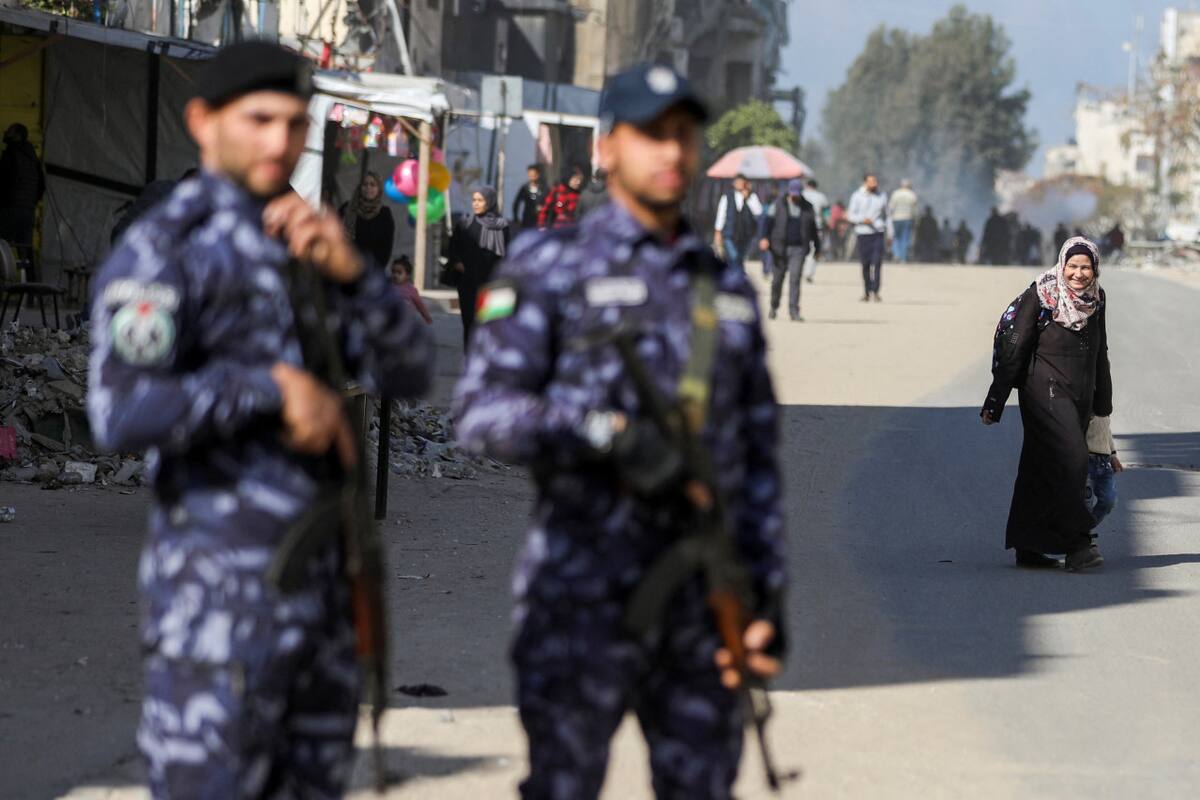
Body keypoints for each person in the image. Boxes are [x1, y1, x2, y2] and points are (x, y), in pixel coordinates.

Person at [86, 41, 434, 797]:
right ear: (203, 122)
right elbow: (119, 411)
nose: (282, 141)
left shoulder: (305, 245)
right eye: (261, 119)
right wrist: (269, 390)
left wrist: (355, 275)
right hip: (219, 621)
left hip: (324, 613)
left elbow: (412, 371)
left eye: (297, 123)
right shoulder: (165, 250)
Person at [453, 63, 786, 799]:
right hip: (581, 596)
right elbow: (480, 413)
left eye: (684, 135)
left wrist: (766, 597)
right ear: (606, 149)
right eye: (651, 134)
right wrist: (603, 433)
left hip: (701, 603)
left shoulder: (725, 287)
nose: (671, 151)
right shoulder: (550, 266)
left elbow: (758, 458)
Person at [981, 237, 1112, 571]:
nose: (1079, 274)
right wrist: (996, 400)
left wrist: (1103, 408)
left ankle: (1028, 545)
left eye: (1085, 267)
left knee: (1039, 466)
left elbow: (1101, 353)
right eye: (1073, 266)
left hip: (1079, 396)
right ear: (1062, 265)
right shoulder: (1040, 295)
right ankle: (1078, 544)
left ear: (1095, 268)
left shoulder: (1097, 299)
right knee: (1072, 459)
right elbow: (1015, 347)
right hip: (1043, 391)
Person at [449, 185, 511, 347]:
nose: (475, 204)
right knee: (469, 321)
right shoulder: (465, 223)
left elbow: (507, 253)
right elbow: (453, 247)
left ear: (489, 202)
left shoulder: (501, 226)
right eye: (474, 200)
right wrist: (457, 262)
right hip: (468, 281)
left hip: (491, 281)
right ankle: (470, 355)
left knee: (489, 322)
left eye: (480, 200)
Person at [763, 178, 820, 321]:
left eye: (797, 194)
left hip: (799, 249)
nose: (795, 197)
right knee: (777, 280)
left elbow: (813, 229)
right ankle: (774, 306)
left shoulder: (808, 207)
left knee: (795, 279)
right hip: (779, 248)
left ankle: (794, 311)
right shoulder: (777, 204)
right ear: (788, 191)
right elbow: (767, 223)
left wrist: (817, 247)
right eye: (793, 193)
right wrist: (764, 238)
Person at [0, 123, 45, 268]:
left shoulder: (11, 152)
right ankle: (30, 282)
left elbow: (3, 181)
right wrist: (30, 203)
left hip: (11, 209)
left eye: (10, 131)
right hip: (28, 212)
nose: (6, 132)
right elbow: (41, 186)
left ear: (18, 135)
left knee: (2, 247)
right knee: (25, 254)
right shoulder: (33, 157)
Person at [340, 171, 396, 271]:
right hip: (346, 268)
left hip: (371, 272)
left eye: (372, 185)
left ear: (379, 189)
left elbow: (386, 248)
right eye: (365, 184)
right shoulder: (347, 209)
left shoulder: (384, 214)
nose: (368, 188)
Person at [847, 172, 887, 301]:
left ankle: (876, 291)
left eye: (875, 181)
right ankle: (867, 291)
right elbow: (851, 215)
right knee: (866, 264)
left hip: (878, 232)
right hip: (863, 233)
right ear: (865, 183)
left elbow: (888, 215)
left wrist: (890, 233)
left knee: (877, 262)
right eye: (871, 181)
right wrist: (862, 220)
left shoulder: (882, 196)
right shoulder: (857, 196)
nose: (874, 184)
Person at [712, 172, 763, 272]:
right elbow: (721, 215)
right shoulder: (727, 196)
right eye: (738, 182)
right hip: (729, 233)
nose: (740, 184)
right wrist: (718, 231)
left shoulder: (752, 196)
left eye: (742, 182)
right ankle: (738, 274)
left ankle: (736, 274)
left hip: (745, 234)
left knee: (740, 257)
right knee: (734, 256)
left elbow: (758, 212)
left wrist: (748, 198)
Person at [1085, 414, 1123, 529]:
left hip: (1104, 463)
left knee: (1109, 500)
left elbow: (1107, 432)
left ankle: (1085, 529)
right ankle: (1084, 534)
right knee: (1086, 504)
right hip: (1086, 461)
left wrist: (1113, 456)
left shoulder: (1103, 408)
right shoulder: (1083, 406)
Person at [538, 164, 585, 229]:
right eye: (575, 179)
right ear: (568, 179)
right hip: (556, 229)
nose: (578, 182)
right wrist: (541, 225)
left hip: (573, 230)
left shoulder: (580, 195)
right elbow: (545, 209)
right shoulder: (557, 192)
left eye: (580, 180)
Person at [391, 255, 433, 324]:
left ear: (407, 275)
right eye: (393, 272)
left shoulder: (411, 290)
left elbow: (420, 305)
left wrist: (426, 317)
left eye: (399, 273)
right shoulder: (389, 286)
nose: (395, 275)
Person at [801, 178, 828, 281]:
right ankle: (809, 273)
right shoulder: (821, 196)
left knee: (802, 249)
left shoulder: (802, 194)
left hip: (803, 226)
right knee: (814, 250)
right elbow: (826, 212)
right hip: (817, 226)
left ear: (807, 185)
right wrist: (827, 222)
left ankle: (801, 270)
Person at [887, 179, 918, 263]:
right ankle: (903, 258)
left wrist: (889, 218)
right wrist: (915, 220)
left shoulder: (896, 194)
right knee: (905, 238)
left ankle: (896, 254)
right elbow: (914, 210)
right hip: (908, 218)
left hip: (896, 218)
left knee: (896, 237)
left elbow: (891, 207)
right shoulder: (912, 195)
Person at [512, 163, 546, 230]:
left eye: (534, 175)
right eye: (530, 175)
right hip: (527, 219)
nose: (532, 177)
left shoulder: (544, 188)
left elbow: (549, 203)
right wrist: (516, 218)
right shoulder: (524, 188)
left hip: (540, 220)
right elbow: (516, 203)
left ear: (538, 174)